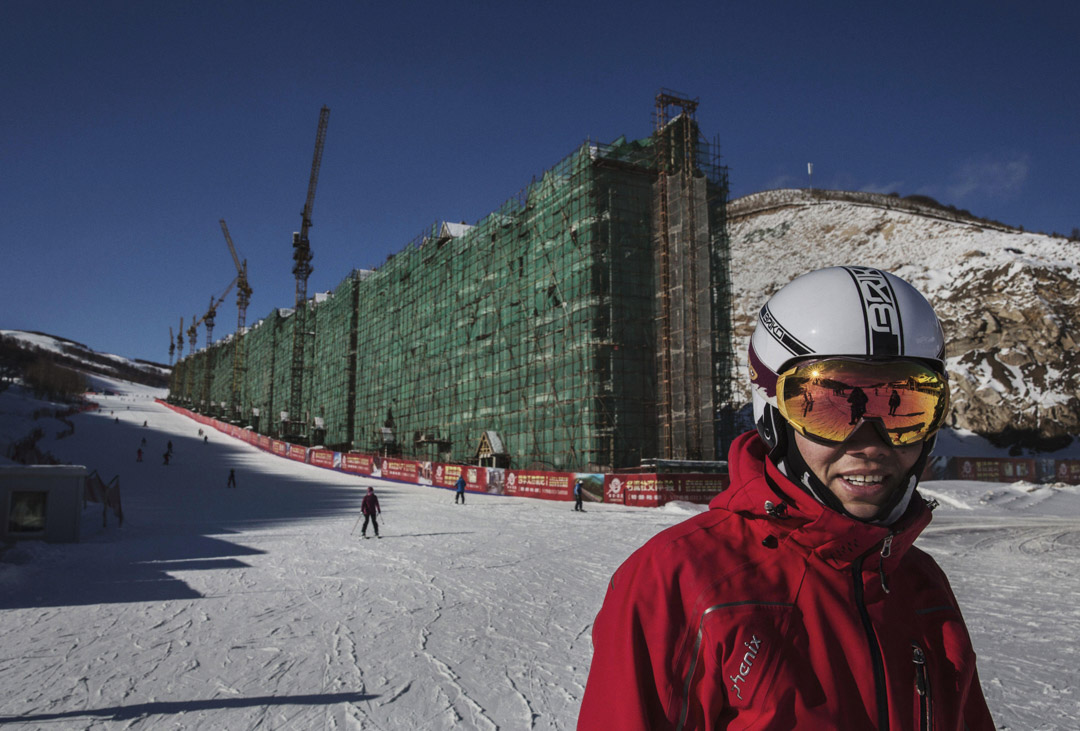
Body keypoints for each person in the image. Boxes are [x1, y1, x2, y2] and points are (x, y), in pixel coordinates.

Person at [579, 266, 994, 730]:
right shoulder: (678, 581)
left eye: (903, 408)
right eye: (830, 406)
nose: (871, 443)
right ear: (773, 416)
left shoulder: (922, 585)